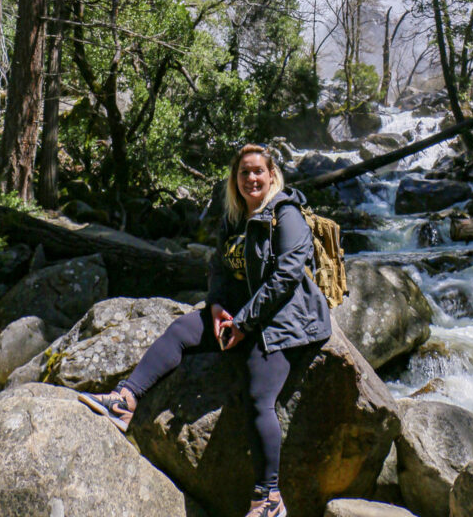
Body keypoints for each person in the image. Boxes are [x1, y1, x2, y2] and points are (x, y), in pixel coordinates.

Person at [78, 143, 331, 517]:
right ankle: (124, 402)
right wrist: (215, 306)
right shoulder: (233, 217)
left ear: (272, 175)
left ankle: (270, 500)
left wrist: (243, 323)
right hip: (238, 315)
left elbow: (287, 276)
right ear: (235, 179)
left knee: (259, 396)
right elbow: (218, 267)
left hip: (283, 321)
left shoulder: (286, 214)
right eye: (244, 172)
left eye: (258, 171)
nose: (251, 178)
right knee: (181, 330)